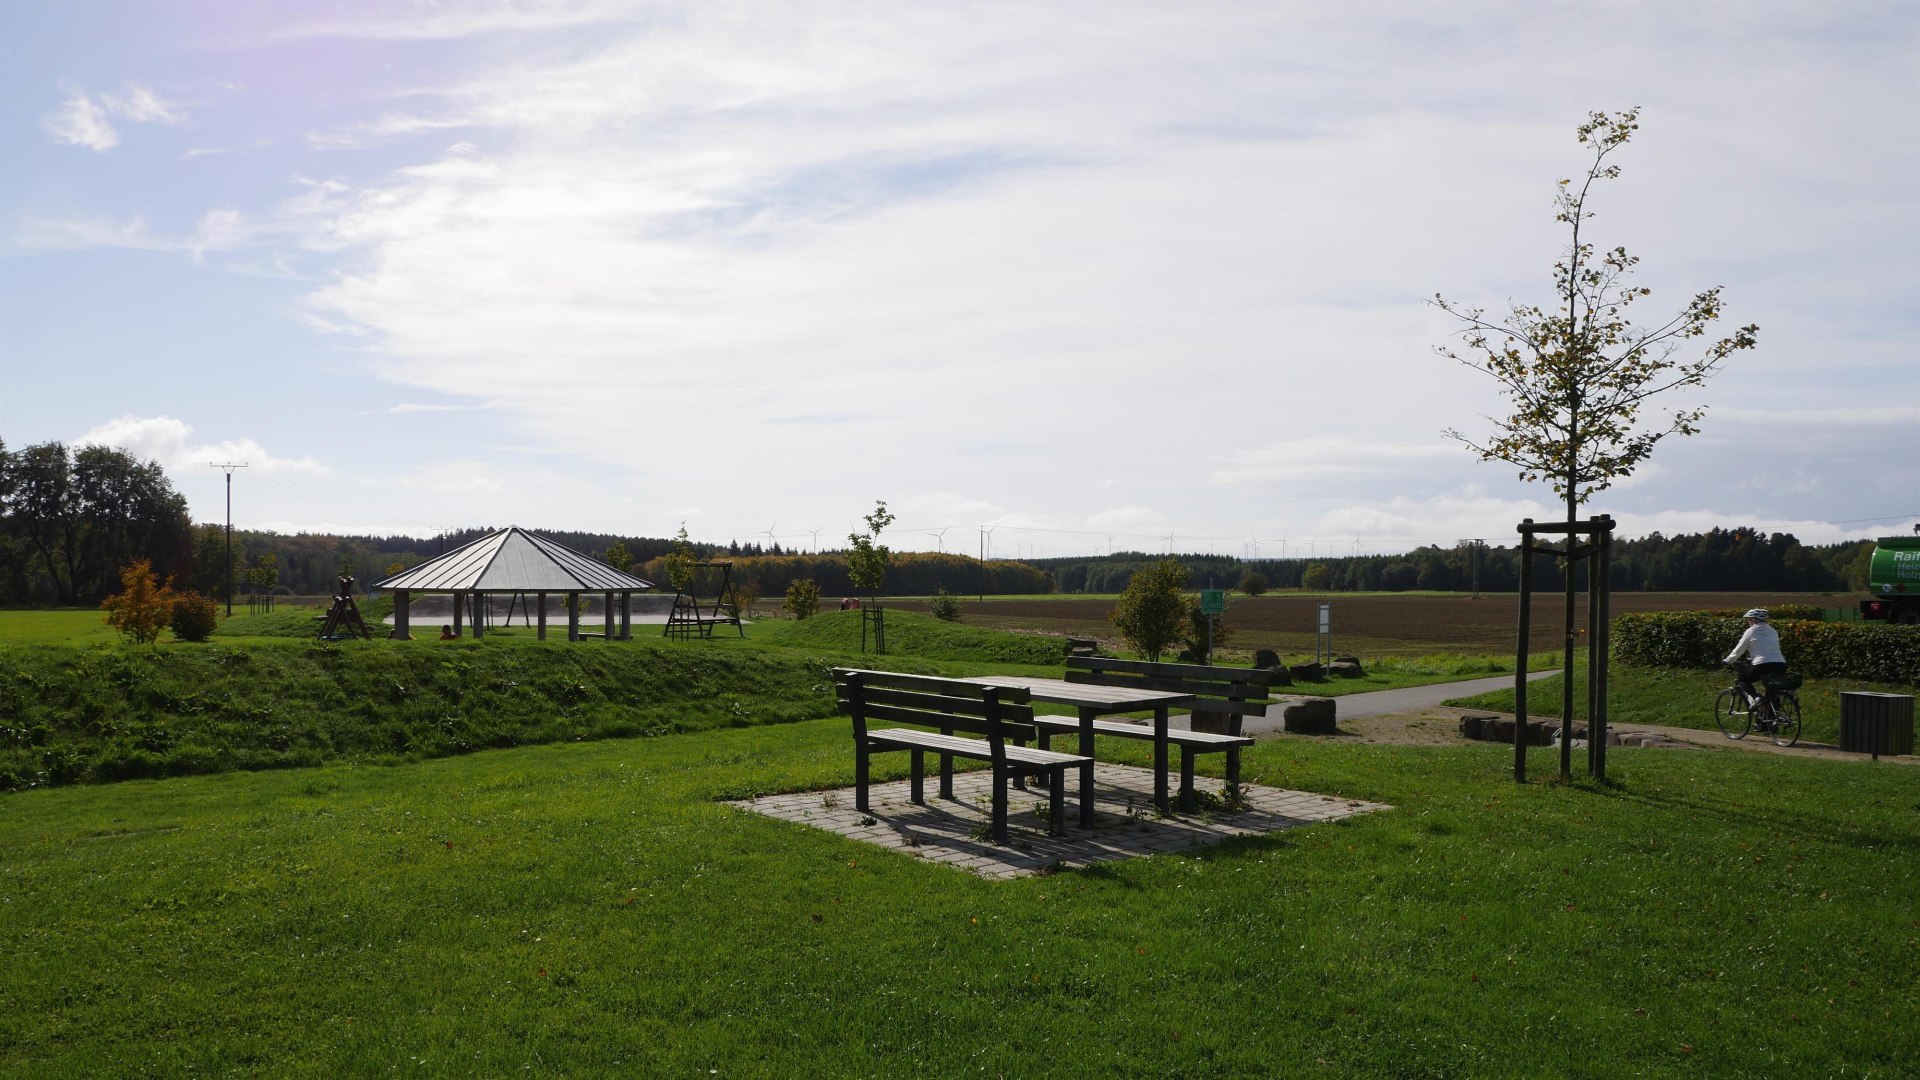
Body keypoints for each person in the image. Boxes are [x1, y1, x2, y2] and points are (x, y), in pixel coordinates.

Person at [1723, 608, 1787, 711]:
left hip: (1762, 664)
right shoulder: (1773, 631)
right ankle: (1769, 722)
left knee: (1742, 680)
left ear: (1754, 619)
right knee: (1770, 692)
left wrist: (1729, 660)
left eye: (1749, 620)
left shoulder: (1751, 631)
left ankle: (1756, 698)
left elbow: (1739, 649)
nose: (1748, 622)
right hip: (1780, 664)